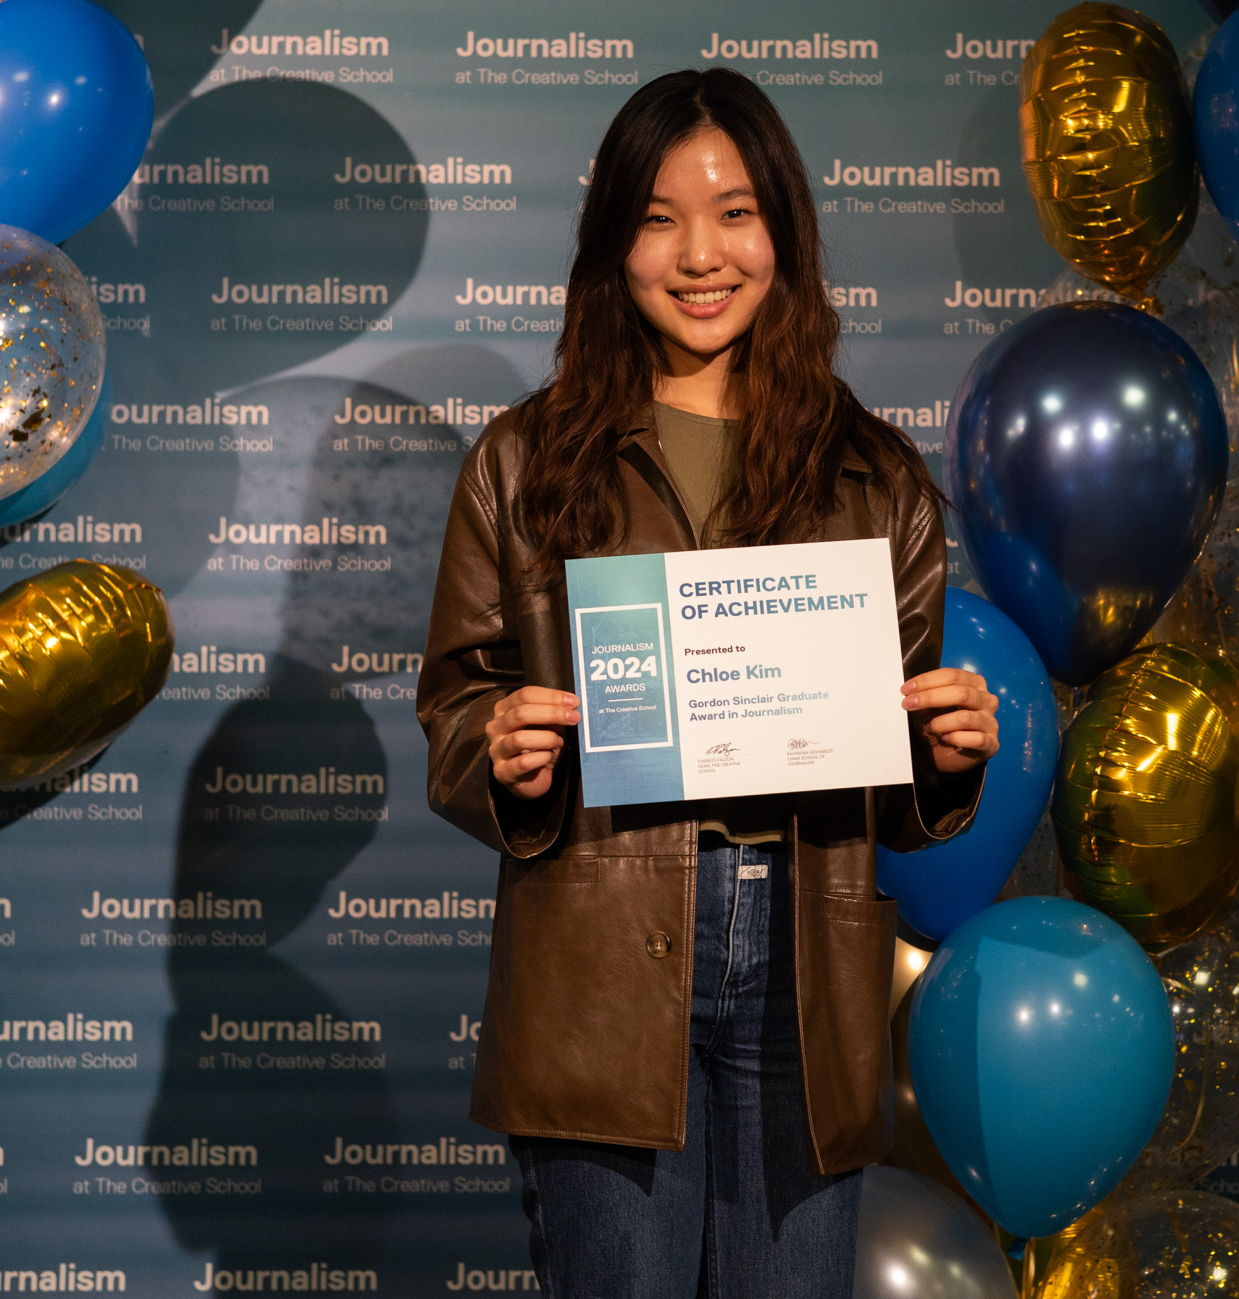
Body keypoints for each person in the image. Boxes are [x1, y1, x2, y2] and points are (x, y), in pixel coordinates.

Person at [417, 67, 998, 1299]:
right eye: (657, 216)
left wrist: (940, 759)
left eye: (733, 212)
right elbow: (457, 708)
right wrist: (498, 748)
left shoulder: (872, 475)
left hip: (808, 972)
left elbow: (883, 767)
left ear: (780, 232)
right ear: (609, 243)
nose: (699, 254)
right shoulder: (521, 463)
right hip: (596, 967)